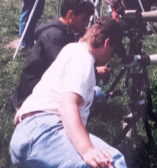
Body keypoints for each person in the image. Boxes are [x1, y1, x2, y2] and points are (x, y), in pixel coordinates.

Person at [10, 17, 127, 167]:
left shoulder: (72, 49)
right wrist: (87, 150)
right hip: (41, 132)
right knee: (112, 161)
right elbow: (67, 105)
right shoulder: (84, 58)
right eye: (113, 52)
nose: (111, 57)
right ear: (107, 44)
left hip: (27, 132)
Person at [8, 0, 95, 111]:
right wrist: (95, 71)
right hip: (34, 94)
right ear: (70, 15)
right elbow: (64, 71)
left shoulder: (64, 31)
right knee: (95, 95)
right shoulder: (54, 36)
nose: (86, 24)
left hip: (41, 87)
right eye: (84, 19)